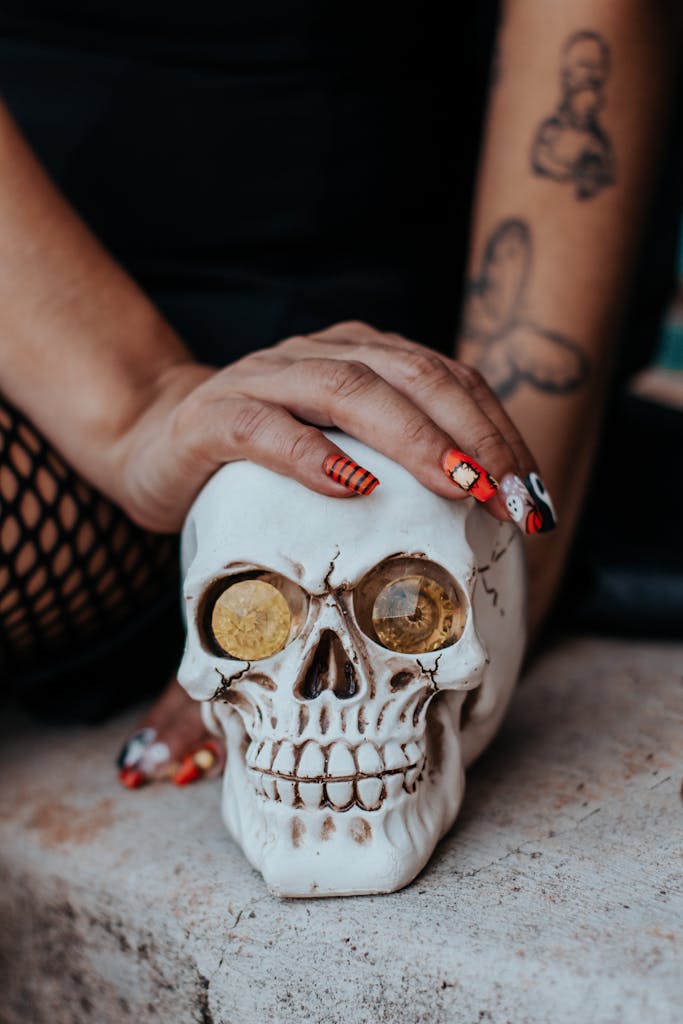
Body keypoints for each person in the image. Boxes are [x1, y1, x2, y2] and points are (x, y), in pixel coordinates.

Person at [1, 2, 680, 787]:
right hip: (41, 311)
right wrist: (137, 404)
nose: (327, 685)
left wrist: (499, 548)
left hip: (337, 313)